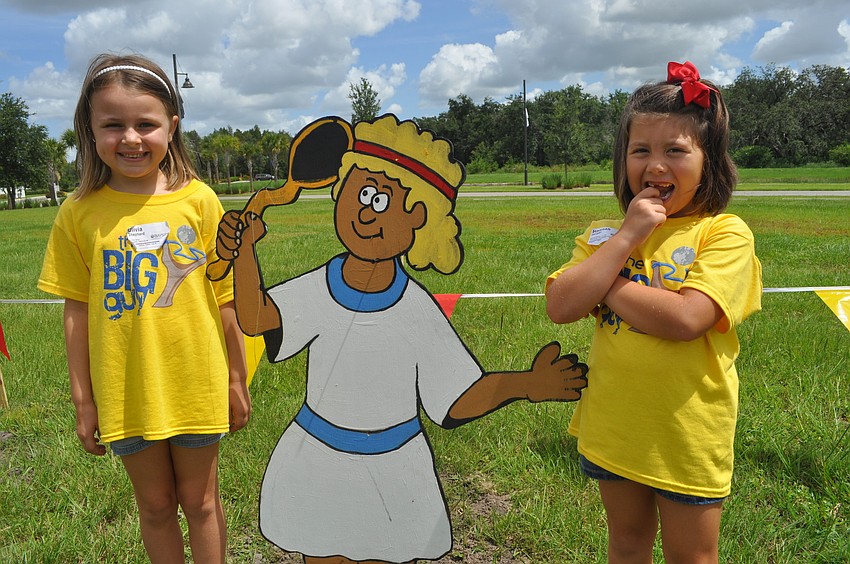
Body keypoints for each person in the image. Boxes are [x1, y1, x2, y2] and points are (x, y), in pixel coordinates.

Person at [216, 114, 588, 563]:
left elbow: (455, 396)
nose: (363, 211)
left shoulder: (416, 310)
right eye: (358, 192)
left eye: (380, 200)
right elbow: (256, 318)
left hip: (395, 471)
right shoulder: (320, 287)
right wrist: (245, 253)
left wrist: (525, 384)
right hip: (317, 464)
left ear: (417, 220)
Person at [37, 53, 251, 563]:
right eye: (113, 125)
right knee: (154, 506)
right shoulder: (78, 212)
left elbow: (225, 299)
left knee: (201, 502)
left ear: (172, 127)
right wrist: (84, 401)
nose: (131, 138)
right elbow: (77, 315)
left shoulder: (199, 201)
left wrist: (236, 378)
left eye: (146, 124)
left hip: (196, 382)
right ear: (90, 131)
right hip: (126, 392)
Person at [545, 61, 762, 563]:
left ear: (710, 161)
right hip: (614, 428)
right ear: (623, 160)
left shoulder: (723, 234)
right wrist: (626, 238)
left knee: (692, 556)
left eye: (676, 151)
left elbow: (687, 320)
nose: (656, 165)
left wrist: (606, 282)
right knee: (625, 543)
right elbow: (561, 304)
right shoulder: (605, 235)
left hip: (686, 433)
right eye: (641, 150)